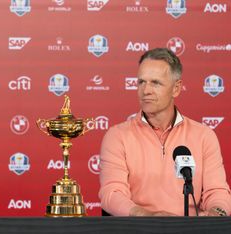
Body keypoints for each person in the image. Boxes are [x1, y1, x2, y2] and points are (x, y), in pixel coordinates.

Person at [99, 48, 231, 216]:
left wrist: (216, 213)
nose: (146, 90)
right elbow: (112, 194)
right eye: (141, 82)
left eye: (155, 82)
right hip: (139, 229)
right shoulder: (117, 136)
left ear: (176, 88)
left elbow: (217, 192)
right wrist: (149, 217)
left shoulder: (204, 136)